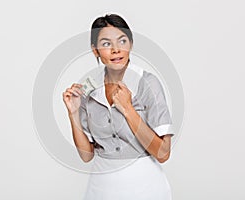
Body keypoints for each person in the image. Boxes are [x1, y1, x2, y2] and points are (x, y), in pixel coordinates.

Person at [62, 13, 175, 200]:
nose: (116, 50)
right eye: (106, 44)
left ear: (130, 44)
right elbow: (86, 156)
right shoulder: (88, 89)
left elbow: (163, 153)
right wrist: (73, 114)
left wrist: (128, 109)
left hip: (146, 189)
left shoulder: (147, 84)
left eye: (122, 41)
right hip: (101, 190)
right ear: (95, 50)